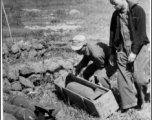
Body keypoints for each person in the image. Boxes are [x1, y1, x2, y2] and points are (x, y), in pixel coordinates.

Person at [108, 0, 150, 112]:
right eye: (111, 3)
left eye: (114, 2)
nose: (113, 6)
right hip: (122, 49)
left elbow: (141, 34)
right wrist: (112, 52)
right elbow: (112, 33)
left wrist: (134, 52)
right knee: (122, 80)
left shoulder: (138, 11)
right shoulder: (115, 14)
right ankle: (129, 106)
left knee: (139, 79)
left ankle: (142, 101)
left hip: (139, 48)